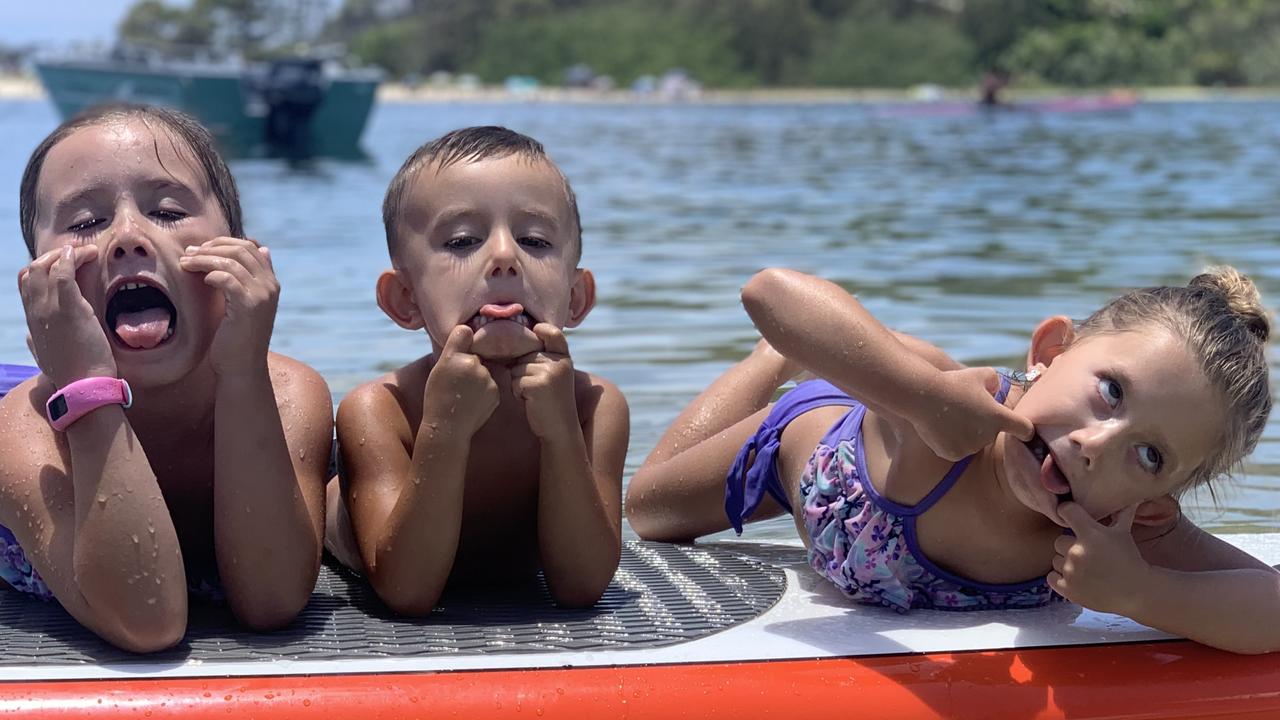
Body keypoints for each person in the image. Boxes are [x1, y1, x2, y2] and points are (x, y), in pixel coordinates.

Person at [626, 266, 1279, 654]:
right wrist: (920, 398)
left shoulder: (1123, 527)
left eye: (1149, 454)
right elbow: (769, 293)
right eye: (1110, 391)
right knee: (650, 513)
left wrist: (1141, 591)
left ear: (1162, 497)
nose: (1094, 444)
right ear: (1050, 350)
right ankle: (786, 368)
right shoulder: (949, 417)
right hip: (819, 459)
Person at [0, 104, 334, 652]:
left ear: (239, 250)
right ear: (36, 277)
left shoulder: (286, 392)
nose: (129, 236)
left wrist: (244, 372)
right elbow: (147, 622)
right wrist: (87, 387)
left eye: (170, 211)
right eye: (85, 223)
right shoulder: (25, 431)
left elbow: (271, 600)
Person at [324, 126, 629, 614]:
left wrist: (561, 434)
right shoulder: (382, 410)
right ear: (405, 300)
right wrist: (445, 430)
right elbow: (407, 591)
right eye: (463, 241)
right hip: (363, 536)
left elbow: (581, 587)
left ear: (576, 297)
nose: (505, 257)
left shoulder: (593, 407)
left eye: (535, 240)